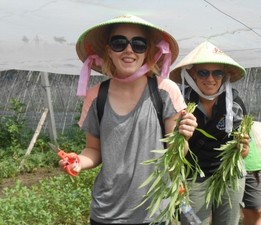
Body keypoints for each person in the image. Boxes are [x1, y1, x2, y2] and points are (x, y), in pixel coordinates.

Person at [59, 15, 198, 225]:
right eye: (119, 43)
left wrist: (183, 138)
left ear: (148, 51)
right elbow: (94, 150)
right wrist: (78, 161)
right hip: (107, 212)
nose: (129, 50)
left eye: (139, 44)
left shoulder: (164, 91)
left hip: (154, 211)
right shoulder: (96, 96)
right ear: (108, 50)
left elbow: (174, 154)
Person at [170, 41, 250, 225]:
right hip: (192, 177)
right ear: (192, 75)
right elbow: (171, 150)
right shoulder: (180, 106)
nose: (210, 79)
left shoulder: (234, 105)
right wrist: (182, 136)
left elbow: (244, 153)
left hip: (228, 174)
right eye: (203, 72)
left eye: (217, 72)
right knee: (193, 222)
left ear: (224, 76)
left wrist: (243, 148)